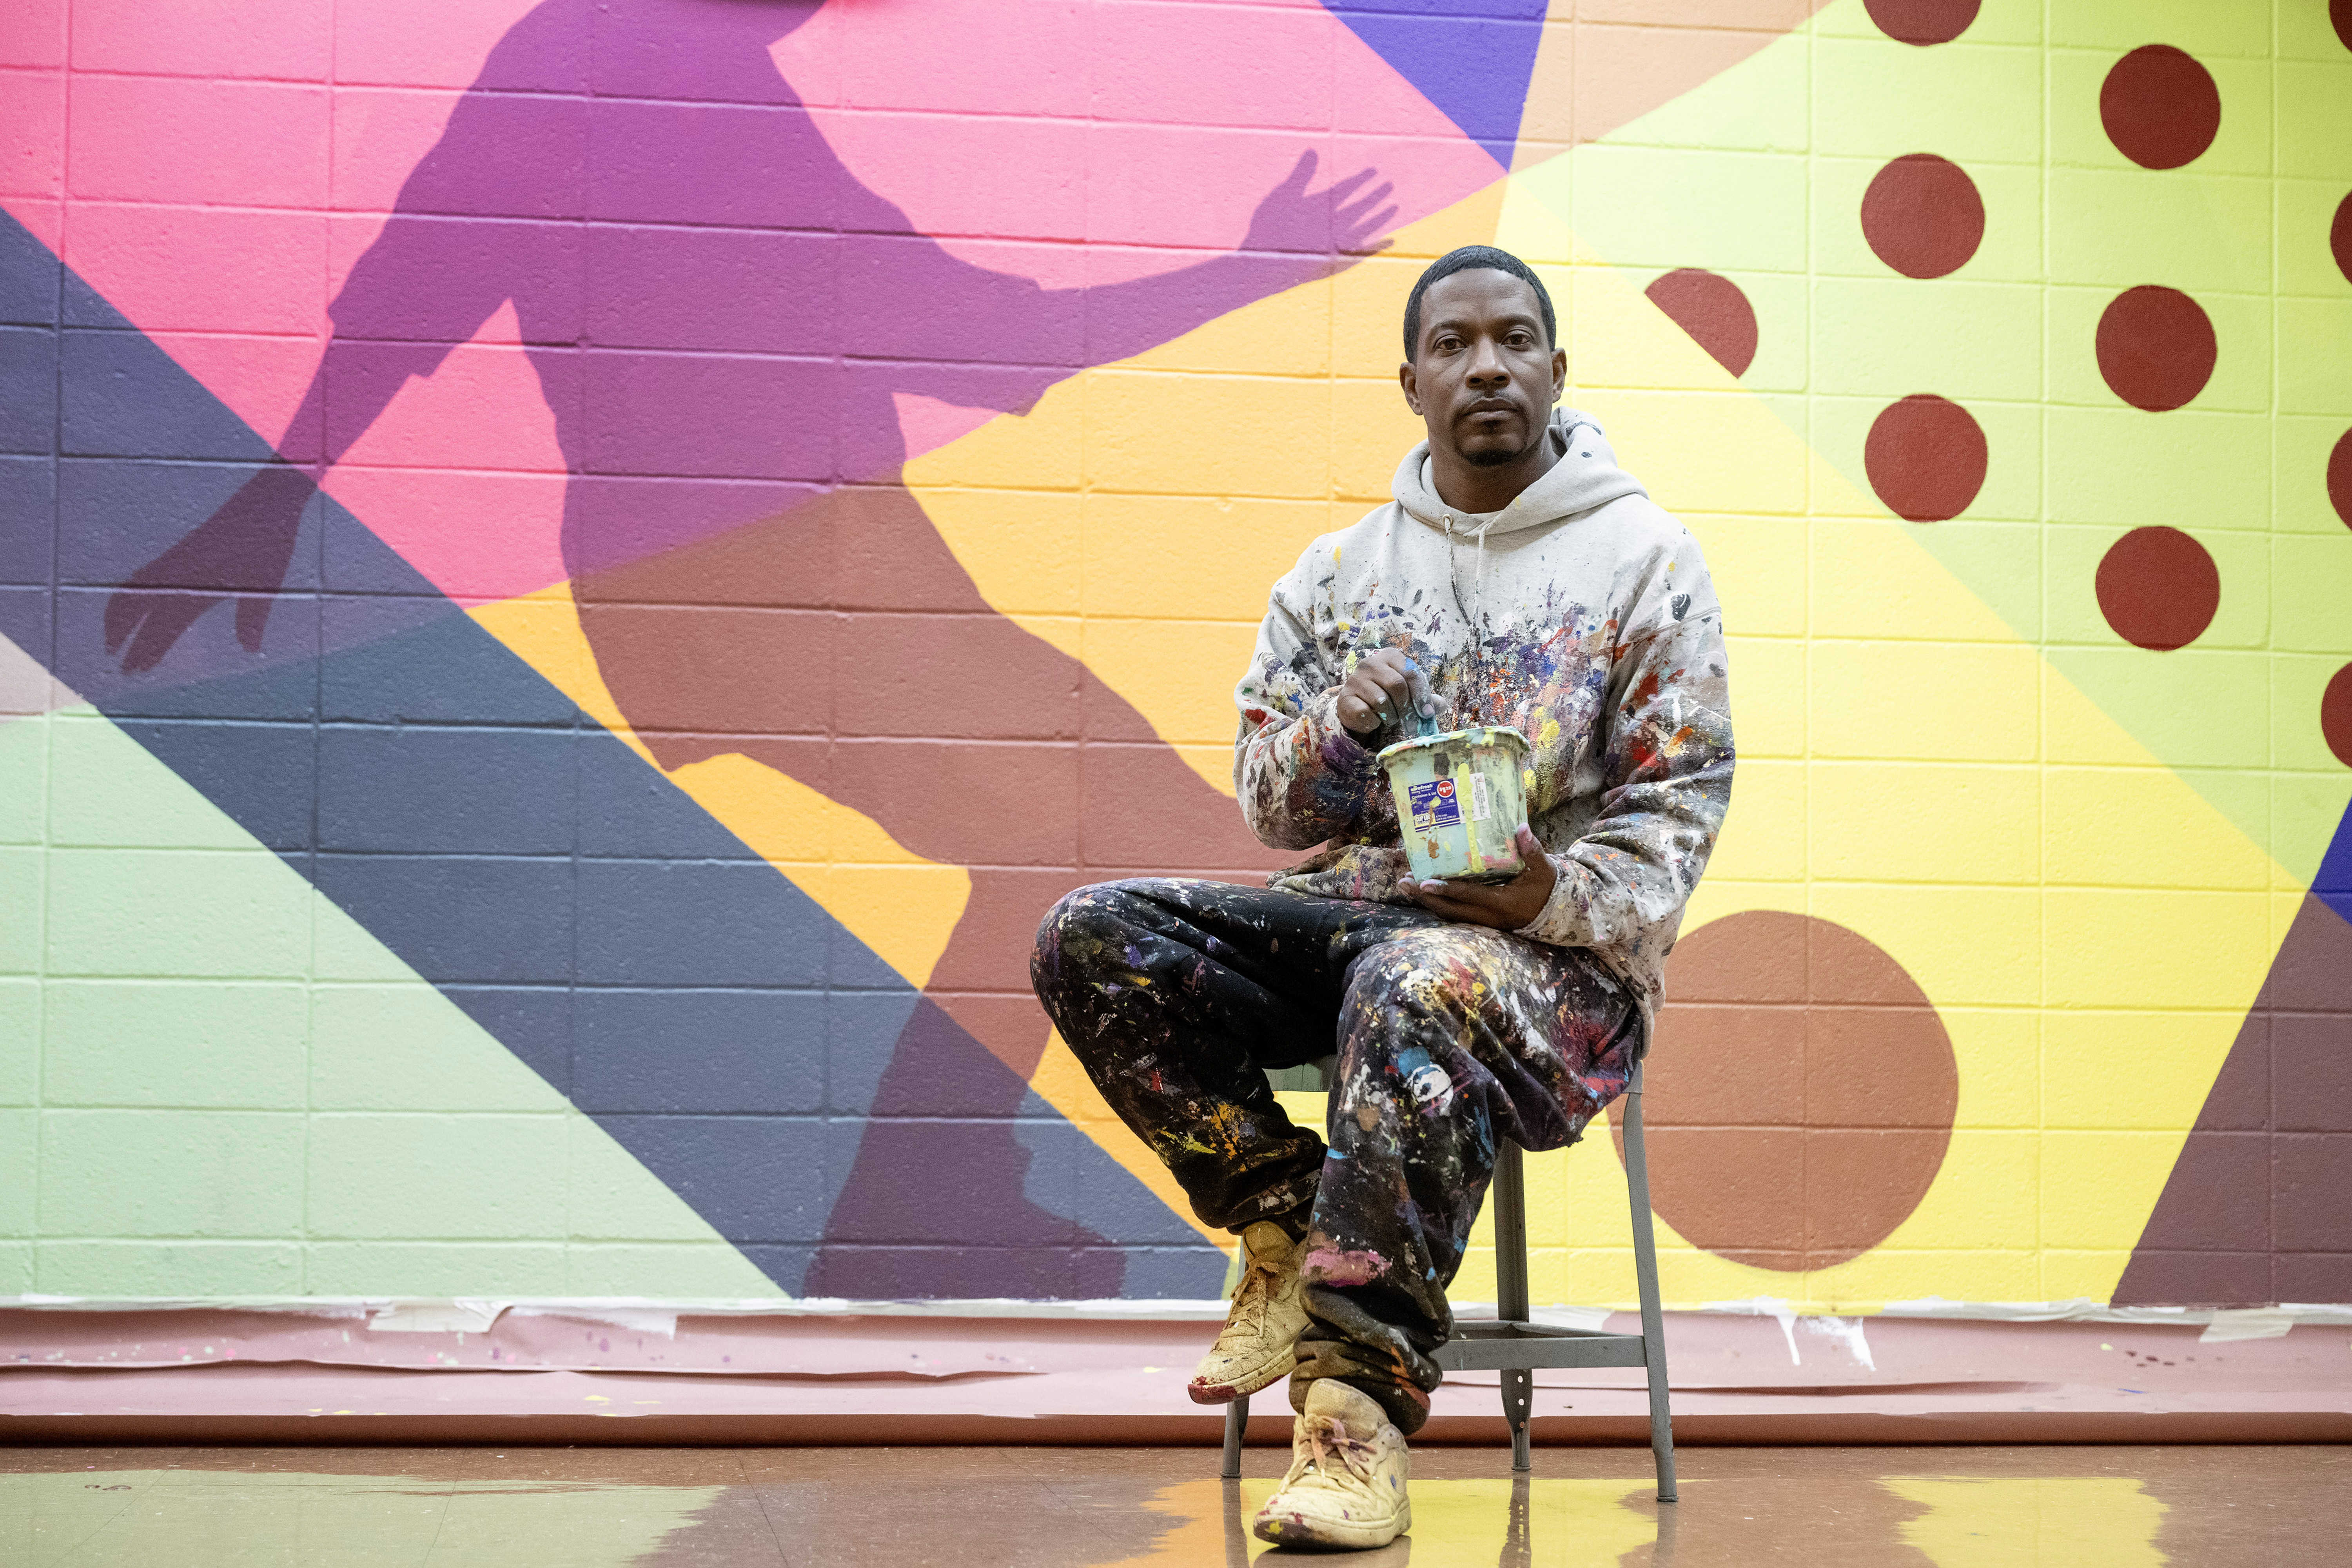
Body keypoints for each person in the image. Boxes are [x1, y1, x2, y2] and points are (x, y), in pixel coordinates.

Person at [100, 0, 1393, 1298]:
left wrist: (267, 505)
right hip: (772, 583)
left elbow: (420, 282)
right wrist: (1243, 270)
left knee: (1095, 845)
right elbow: (965, 327)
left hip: (797, 580)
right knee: (1129, 846)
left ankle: (929, 1181)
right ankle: (960, 1188)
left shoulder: (629, 68)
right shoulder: (635, 64)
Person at [1031, 245, 1733, 1550]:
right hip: (1367, 925)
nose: (1487, 366)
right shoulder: (1340, 574)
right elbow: (1269, 806)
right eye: (1455, 344)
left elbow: (1678, 807)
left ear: (1557, 369)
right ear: (1409, 381)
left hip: (1556, 973)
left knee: (1415, 982)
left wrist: (1542, 892)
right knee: (1094, 937)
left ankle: (1351, 1429)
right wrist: (1337, 735)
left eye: (1515, 340)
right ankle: (1285, 1222)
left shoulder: (1647, 561)